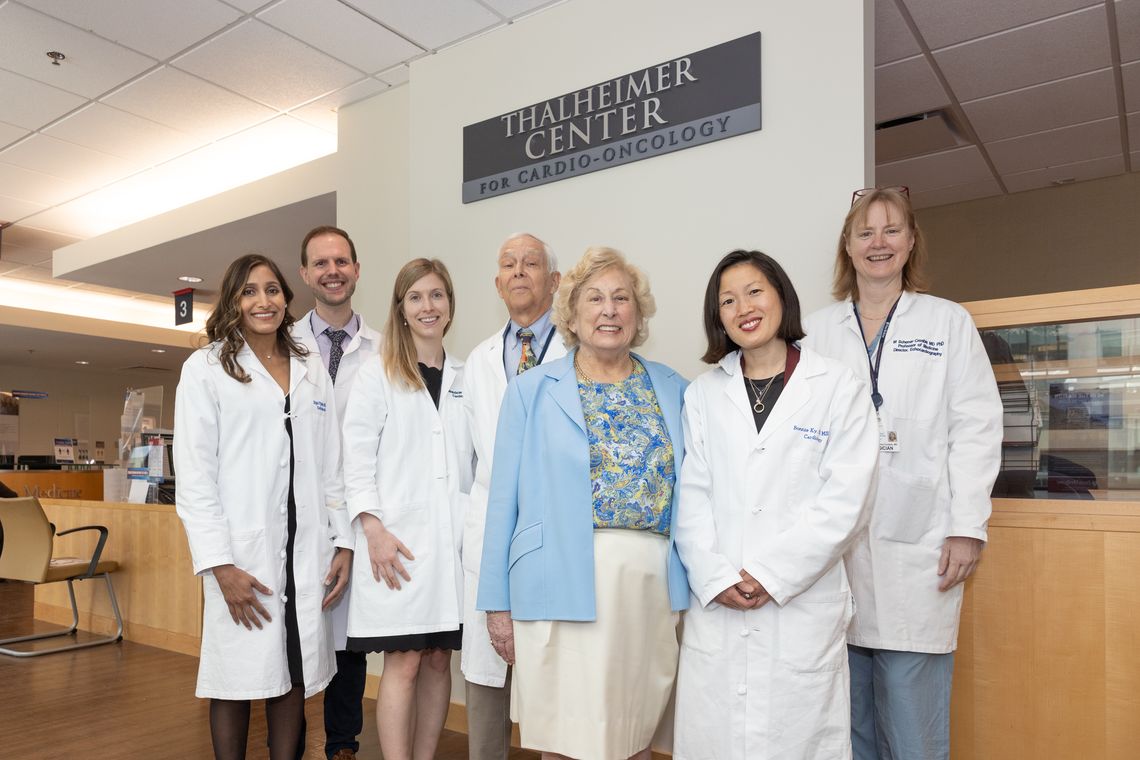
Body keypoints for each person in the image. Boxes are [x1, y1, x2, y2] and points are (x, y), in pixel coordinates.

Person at [802, 186, 1003, 760]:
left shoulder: (946, 322)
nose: (878, 243)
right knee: (846, 714)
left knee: (911, 713)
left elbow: (977, 428)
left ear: (911, 241)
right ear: (847, 244)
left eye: (891, 231)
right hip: (836, 544)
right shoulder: (815, 332)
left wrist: (968, 525)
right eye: (865, 232)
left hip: (922, 541)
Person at [477, 246, 689, 760]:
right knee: (566, 739)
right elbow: (501, 499)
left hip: (648, 585)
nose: (609, 310)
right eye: (594, 298)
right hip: (558, 581)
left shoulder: (675, 388)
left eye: (621, 298)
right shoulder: (530, 390)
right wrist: (495, 603)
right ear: (570, 313)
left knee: (634, 732)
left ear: (638, 315)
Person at [671, 250, 879, 759]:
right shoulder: (703, 395)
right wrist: (716, 577)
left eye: (754, 291)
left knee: (798, 739)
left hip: (799, 602)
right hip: (718, 602)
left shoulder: (837, 388)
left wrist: (770, 573)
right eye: (727, 300)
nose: (743, 306)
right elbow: (691, 497)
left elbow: (846, 501)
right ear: (717, 317)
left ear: (781, 296)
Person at [174, 253, 351, 760]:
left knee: (293, 671)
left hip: (306, 546)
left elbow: (331, 466)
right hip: (242, 552)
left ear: (286, 299)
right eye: (249, 291)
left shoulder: (310, 367)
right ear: (232, 301)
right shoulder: (206, 368)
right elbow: (195, 477)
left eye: (272, 290)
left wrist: (342, 541)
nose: (263, 301)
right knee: (236, 677)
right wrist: (220, 564)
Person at [341, 257, 473, 760]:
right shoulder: (378, 375)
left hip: (451, 546)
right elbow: (355, 461)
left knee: (440, 660)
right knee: (405, 663)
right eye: (415, 297)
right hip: (396, 543)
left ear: (450, 304)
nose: (427, 306)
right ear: (400, 308)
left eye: (436, 295)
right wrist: (372, 529)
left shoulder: (465, 376)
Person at [460, 232, 566, 760]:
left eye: (532, 263)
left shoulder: (578, 352)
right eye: (509, 264)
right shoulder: (477, 361)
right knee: (486, 676)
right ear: (497, 283)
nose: (519, 271)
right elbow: (466, 463)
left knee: (558, 678)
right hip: (489, 528)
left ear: (555, 280)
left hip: (557, 527)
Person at [292, 225, 382, 760]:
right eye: (321, 263)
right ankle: (290, 742)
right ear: (305, 273)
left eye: (342, 261)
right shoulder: (282, 345)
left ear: (356, 268)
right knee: (298, 634)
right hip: (300, 512)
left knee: (349, 642)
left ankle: (343, 746)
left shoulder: (383, 349)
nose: (333, 271)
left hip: (359, 509)